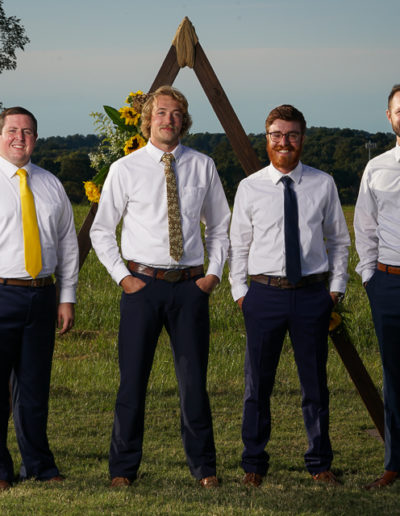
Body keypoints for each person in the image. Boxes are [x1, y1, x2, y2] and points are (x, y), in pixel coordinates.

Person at [90, 85, 230, 488]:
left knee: (194, 382)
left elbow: (220, 225)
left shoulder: (203, 166)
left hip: (190, 288)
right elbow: (102, 230)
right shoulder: (125, 169)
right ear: (148, 119)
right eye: (162, 112)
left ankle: (204, 469)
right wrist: (124, 277)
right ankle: (123, 470)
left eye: (176, 113)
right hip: (143, 287)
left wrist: (213, 275)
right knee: (132, 381)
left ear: (184, 121)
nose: (169, 119)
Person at [229, 104, 350, 487]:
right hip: (264, 295)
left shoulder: (323, 183)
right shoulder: (250, 188)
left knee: (315, 384)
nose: (285, 142)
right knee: (257, 385)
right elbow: (238, 244)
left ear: (302, 139)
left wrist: (335, 290)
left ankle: (319, 463)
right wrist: (240, 293)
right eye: (277, 135)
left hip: (312, 295)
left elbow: (339, 240)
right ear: (267, 139)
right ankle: (253, 464)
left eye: (292, 135)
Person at [0, 107, 79, 491]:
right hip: (1, 293)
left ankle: (39, 465)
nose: (20, 137)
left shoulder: (50, 184)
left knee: (34, 388)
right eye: (13, 130)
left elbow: (67, 244)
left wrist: (67, 297)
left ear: (35, 138)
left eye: (28, 131)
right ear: (0, 135)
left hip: (43, 296)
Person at [354, 84, 400, 490]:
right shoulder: (377, 167)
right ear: (390, 117)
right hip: (389, 282)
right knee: (394, 374)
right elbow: (365, 227)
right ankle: (394, 463)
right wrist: (370, 277)